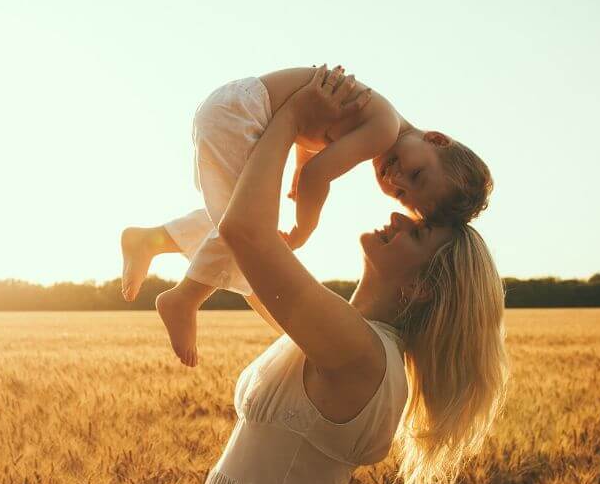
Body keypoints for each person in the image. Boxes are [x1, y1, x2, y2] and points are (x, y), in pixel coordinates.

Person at [182, 66, 510, 484]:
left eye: (420, 230)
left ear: (418, 292)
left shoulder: (360, 352)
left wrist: (290, 118)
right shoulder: (340, 333)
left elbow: (248, 233)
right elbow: (239, 256)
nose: (401, 215)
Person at [120, 65, 493, 366]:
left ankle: (149, 239)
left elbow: (314, 138)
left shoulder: (381, 118)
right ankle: (184, 298)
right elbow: (319, 174)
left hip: (233, 107)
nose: (396, 178)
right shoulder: (384, 130)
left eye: (400, 193)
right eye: (416, 174)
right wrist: (304, 226)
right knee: (249, 228)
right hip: (242, 116)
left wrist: (299, 168)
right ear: (437, 139)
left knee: (234, 218)